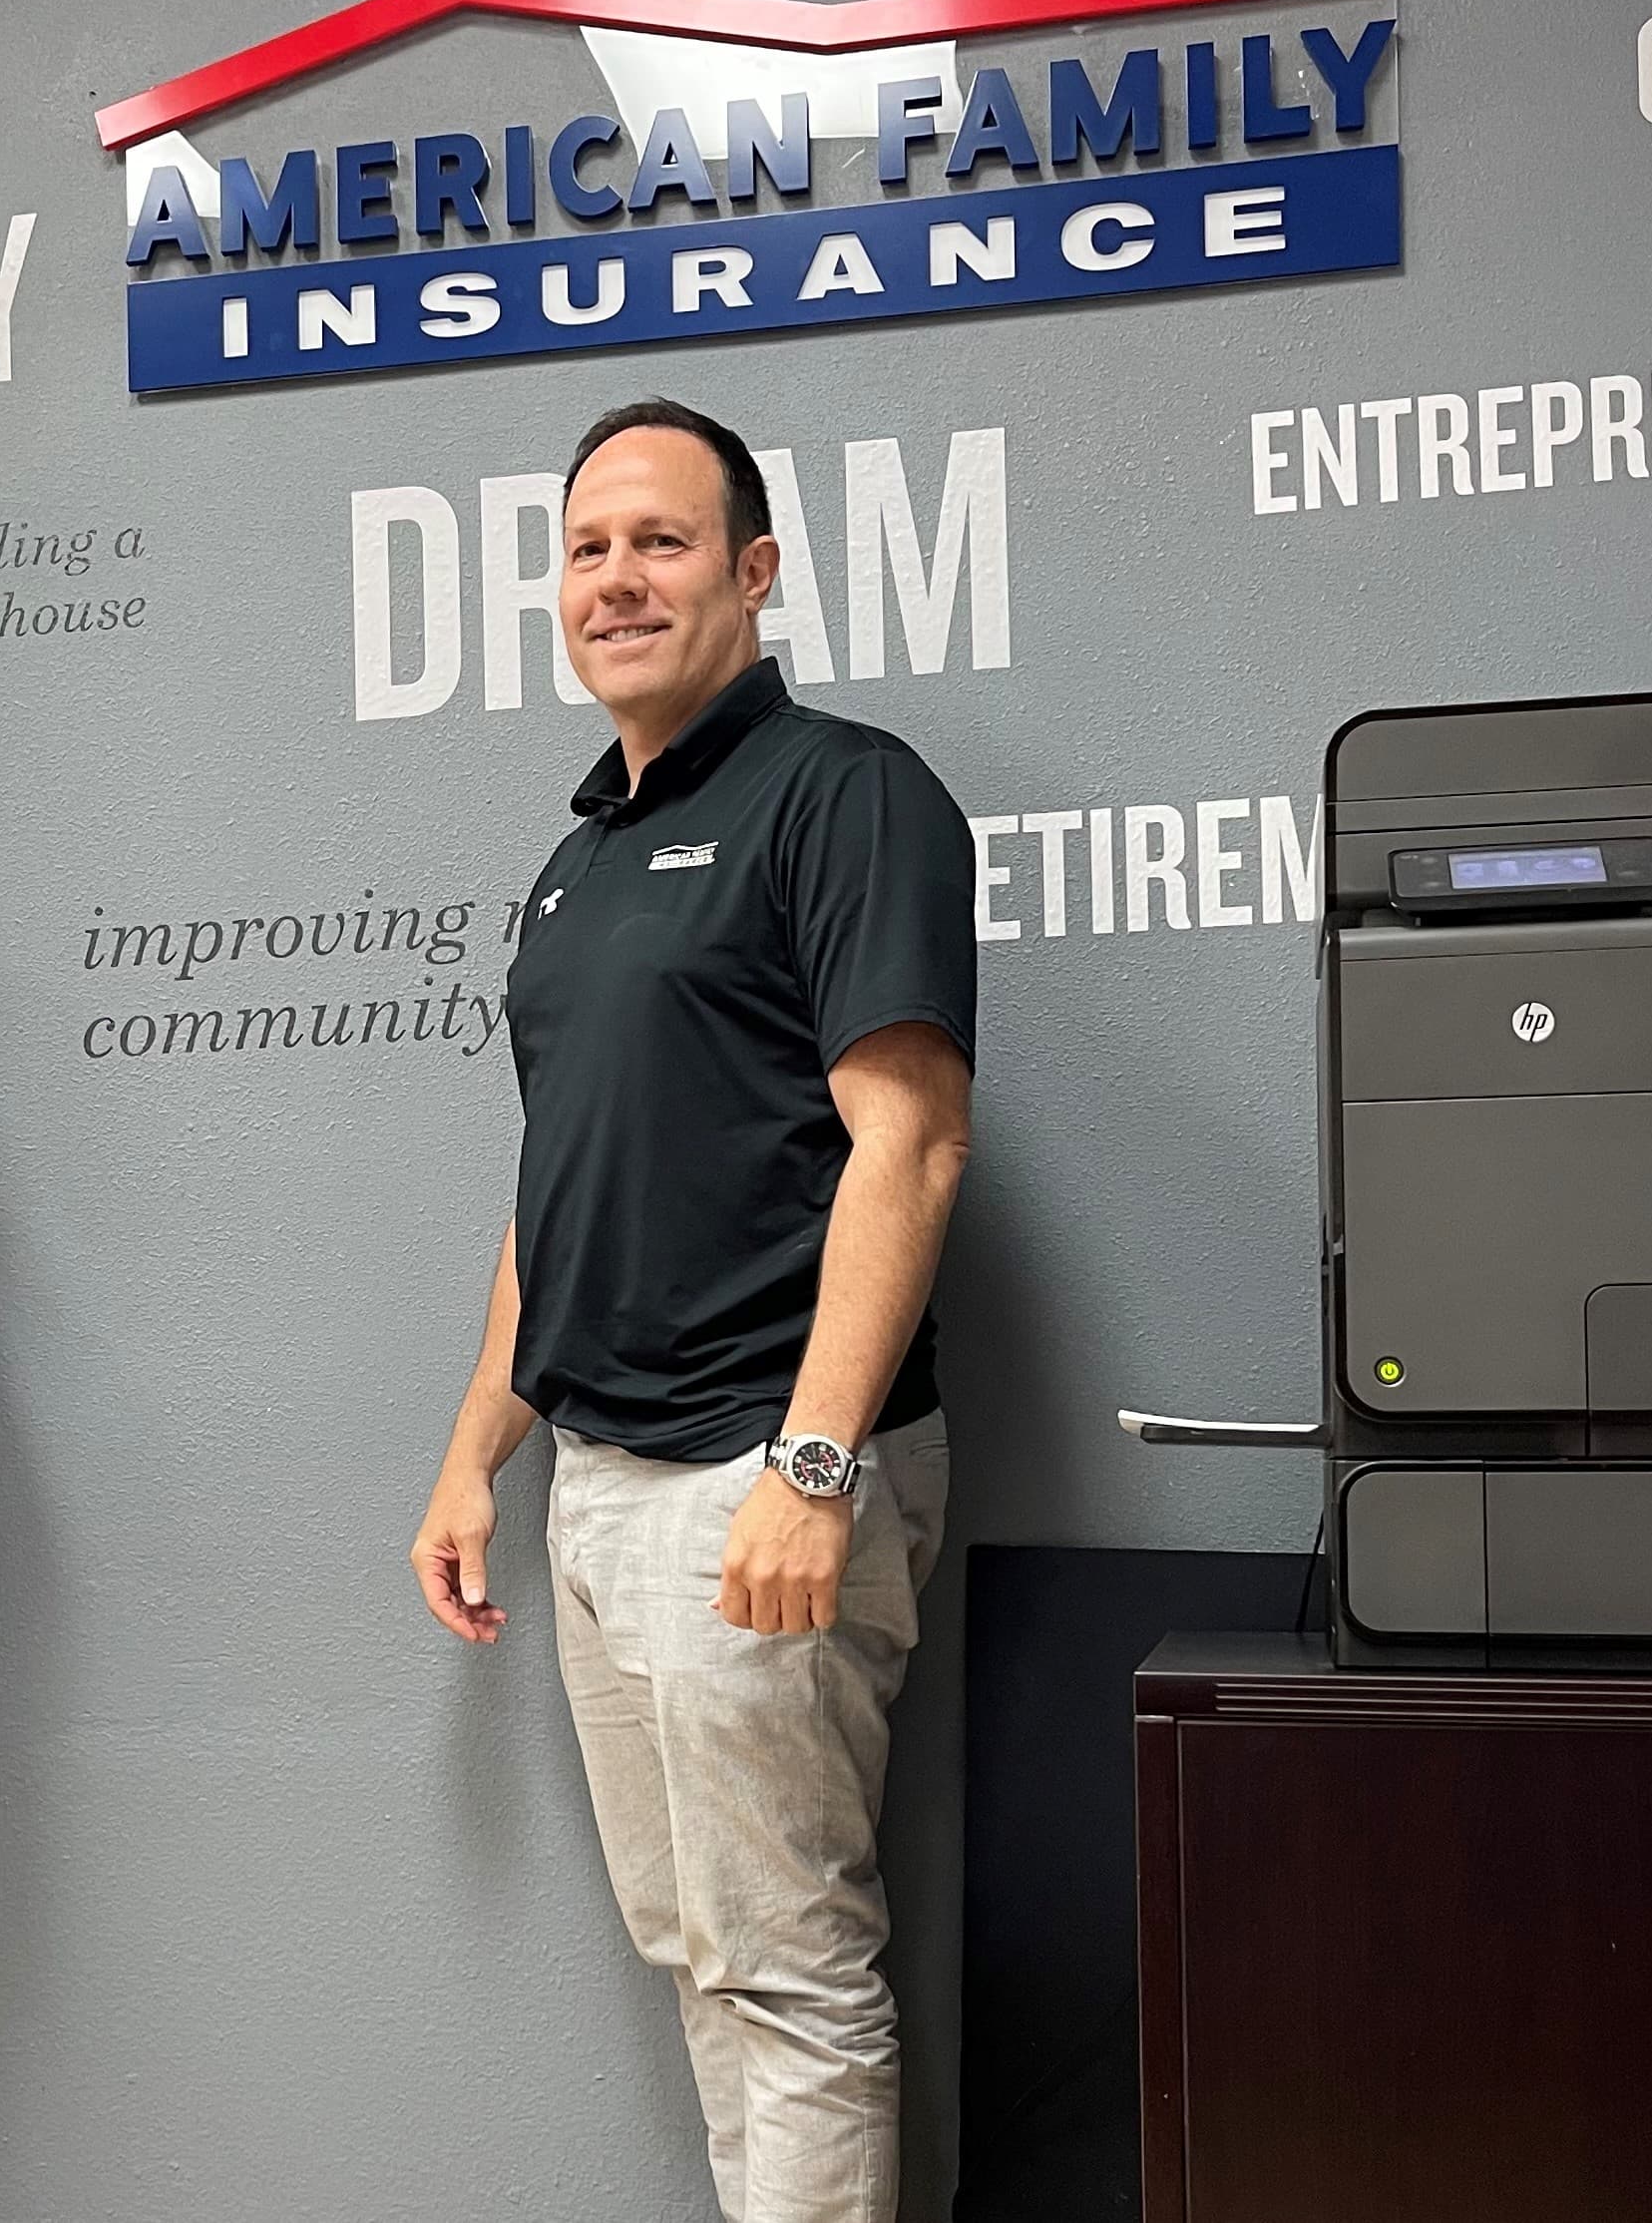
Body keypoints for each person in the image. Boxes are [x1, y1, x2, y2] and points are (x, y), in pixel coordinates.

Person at [411, 397, 976, 2223]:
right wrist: (470, 1460)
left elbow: (912, 1144)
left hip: (763, 1470)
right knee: (700, 1950)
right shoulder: (577, 859)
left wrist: (810, 1468)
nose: (615, 579)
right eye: (585, 550)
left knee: (788, 1975)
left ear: (752, 572)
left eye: (659, 542)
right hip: (596, 1483)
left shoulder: (845, 790)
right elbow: (556, 1190)